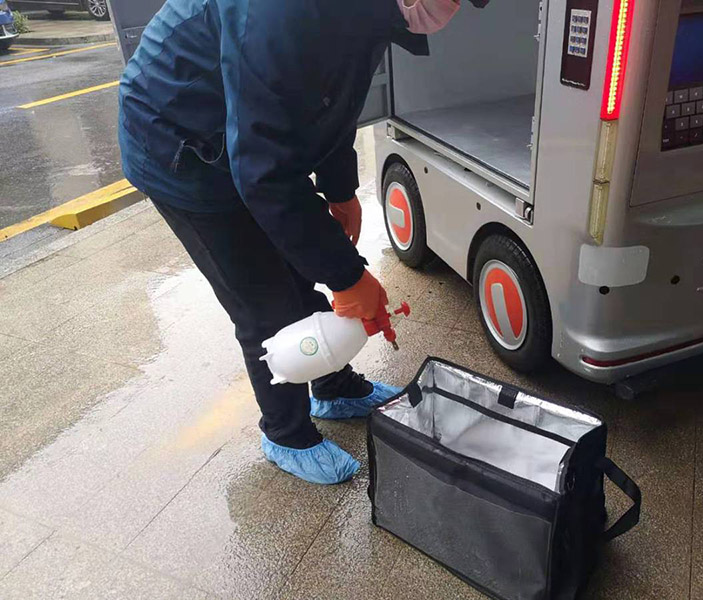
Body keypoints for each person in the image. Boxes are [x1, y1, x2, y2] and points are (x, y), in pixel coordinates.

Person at [118, 0, 464, 484]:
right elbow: (263, 172)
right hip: (177, 143)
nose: (453, 7)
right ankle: (285, 432)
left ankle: (332, 387)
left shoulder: (370, 11)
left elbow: (334, 96)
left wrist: (341, 189)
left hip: (245, 133)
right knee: (267, 306)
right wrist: (347, 276)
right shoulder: (275, 8)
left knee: (303, 277)